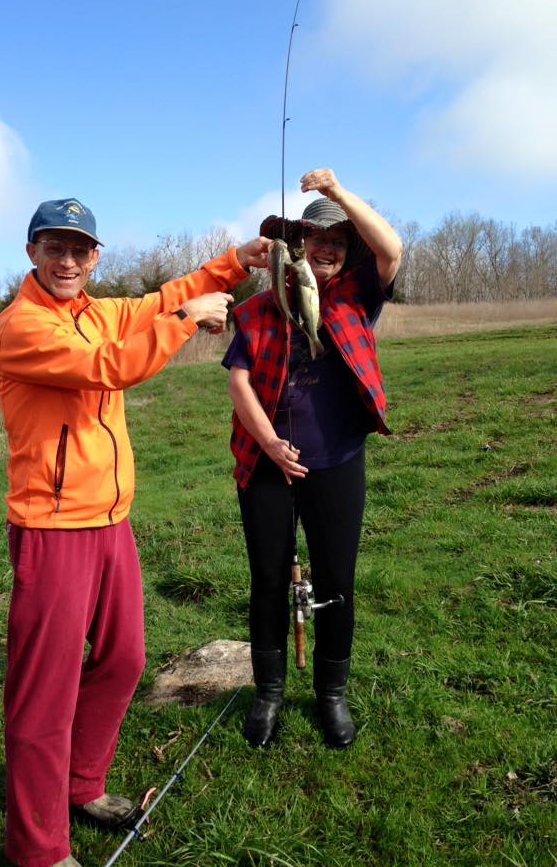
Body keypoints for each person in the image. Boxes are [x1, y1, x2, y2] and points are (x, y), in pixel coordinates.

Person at [0, 197, 270, 867]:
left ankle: (79, 785)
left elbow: (160, 300)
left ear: (94, 257)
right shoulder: (22, 326)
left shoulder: (96, 312)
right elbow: (109, 367)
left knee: (123, 661)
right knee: (44, 694)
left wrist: (235, 263)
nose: (67, 261)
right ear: (31, 253)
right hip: (52, 526)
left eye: (79, 249)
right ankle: (37, 849)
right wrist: (187, 320)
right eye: (54, 247)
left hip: (111, 521)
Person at [223, 168, 402, 750]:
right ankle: (269, 694)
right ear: (296, 245)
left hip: (337, 462)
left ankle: (331, 694)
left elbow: (392, 250)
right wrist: (270, 443)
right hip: (266, 465)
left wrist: (336, 193)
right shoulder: (256, 309)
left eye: (337, 240)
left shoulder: (356, 296)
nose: (325, 248)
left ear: (346, 250)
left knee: (337, 579)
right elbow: (239, 382)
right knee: (268, 579)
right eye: (315, 237)